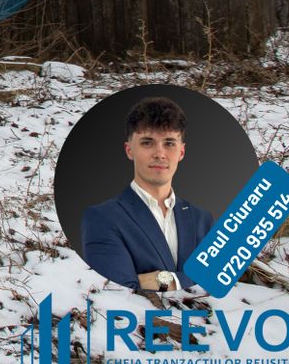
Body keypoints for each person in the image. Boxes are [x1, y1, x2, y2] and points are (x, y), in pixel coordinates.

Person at [81, 96, 215, 291]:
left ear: (182, 152)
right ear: (129, 150)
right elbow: (117, 289)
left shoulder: (201, 218)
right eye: (147, 143)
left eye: (169, 143)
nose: (159, 154)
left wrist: (167, 281)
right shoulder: (101, 218)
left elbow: (215, 282)